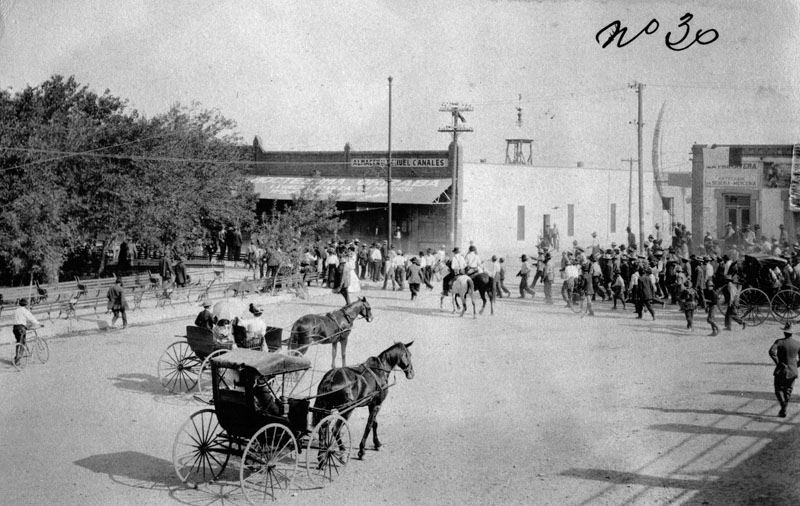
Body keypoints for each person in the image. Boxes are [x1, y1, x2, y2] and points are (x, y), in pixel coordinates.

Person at [769, 324, 800, 418]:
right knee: (788, 390)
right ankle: (784, 408)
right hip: (793, 371)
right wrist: (795, 365)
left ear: (784, 332)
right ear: (792, 334)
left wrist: (778, 363)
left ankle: (783, 408)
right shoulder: (798, 343)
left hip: (781, 370)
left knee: (778, 389)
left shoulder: (779, 342)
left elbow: (771, 352)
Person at [12, 298, 41, 365]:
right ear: (26, 304)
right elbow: (31, 318)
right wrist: (38, 323)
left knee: (18, 341)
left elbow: (18, 320)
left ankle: (16, 356)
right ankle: (18, 358)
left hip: (15, 328)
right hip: (22, 328)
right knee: (23, 343)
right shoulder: (25, 311)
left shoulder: (16, 310)